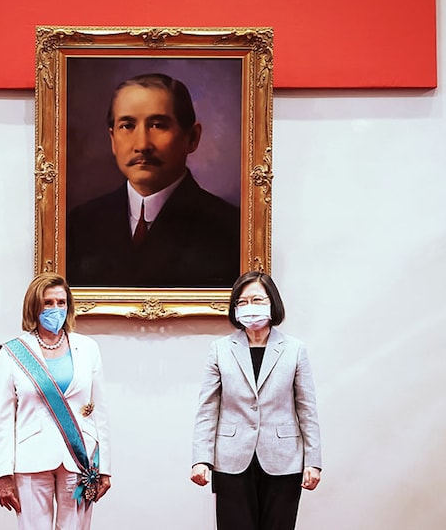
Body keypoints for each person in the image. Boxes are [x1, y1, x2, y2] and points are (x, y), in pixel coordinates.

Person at [66, 72, 240, 288]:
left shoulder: (230, 228)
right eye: (127, 126)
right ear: (112, 139)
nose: (142, 144)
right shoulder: (80, 224)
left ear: (192, 138)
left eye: (158, 125)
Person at [190, 271, 322, 530]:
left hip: (284, 461)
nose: (250, 307)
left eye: (257, 300)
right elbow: (207, 409)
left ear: (272, 303)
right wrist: (200, 458)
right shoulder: (220, 349)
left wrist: (313, 462)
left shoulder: (295, 350)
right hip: (231, 461)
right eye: (242, 302)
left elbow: (307, 409)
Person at [0, 272, 111, 529]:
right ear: (34, 306)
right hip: (31, 458)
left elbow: (99, 411)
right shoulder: (13, 352)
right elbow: (4, 419)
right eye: (48, 303)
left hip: (79, 458)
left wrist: (105, 467)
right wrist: (3, 473)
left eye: (61, 302)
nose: (55, 309)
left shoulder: (88, 348)